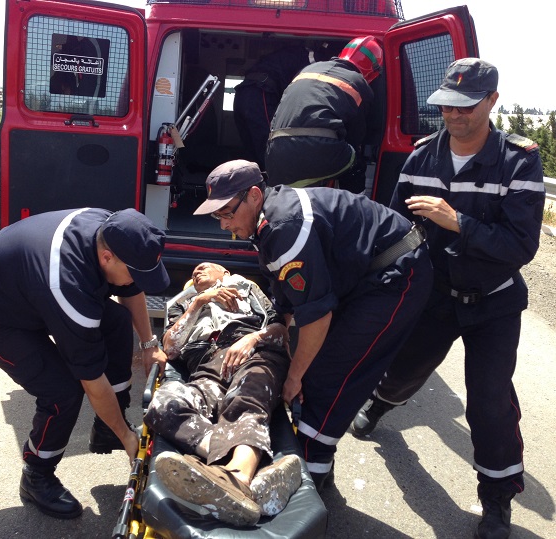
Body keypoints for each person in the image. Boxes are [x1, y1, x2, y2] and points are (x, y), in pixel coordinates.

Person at [350, 58, 545, 539]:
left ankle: (496, 501)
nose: (453, 116)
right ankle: (379, 405)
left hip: (494, 303)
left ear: (492, 101)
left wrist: (457, 222)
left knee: (490, 402)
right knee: (403, 372)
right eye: (446, 107)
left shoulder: (519, 160)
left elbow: (521, 245)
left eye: (465, 107)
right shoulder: (421, 157)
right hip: (435, 296)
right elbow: (394, 229)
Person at [192, 159, 433, 494]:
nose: (223, 225)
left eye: (227, 213)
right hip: (366, 272)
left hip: (395, 275)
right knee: (316, 367)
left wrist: (293, 377)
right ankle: (314, 463)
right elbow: (285, 280)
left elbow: (317, 317)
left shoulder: (285, 225)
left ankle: (312, 476)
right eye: (217, 215)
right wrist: (278, 322)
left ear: (254, 195)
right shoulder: (267, 218)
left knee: (328, 376)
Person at [0, 207, 170, 519]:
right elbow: (92, 381)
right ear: (106, 259)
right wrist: (128, 438)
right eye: (134, 271)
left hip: (27, 292)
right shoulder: (68, 287)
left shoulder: (111, 230)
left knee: (116, 321)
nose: (135, 280)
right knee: (61, 390)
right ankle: (37, 475)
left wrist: (148, 344)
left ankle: (105, 429)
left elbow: (130, 289)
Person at [144, 262, 300, 526]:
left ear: (226, 273)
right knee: (163, 404)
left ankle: (237, 476)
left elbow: (280, 331)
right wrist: (199, 302)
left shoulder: (248, 289)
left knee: (246, 398)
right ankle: (245, 476)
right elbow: (170, 348)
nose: (196, 270)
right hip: (206, 365)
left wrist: (252, 339)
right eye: (193, 270)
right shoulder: (183, 303)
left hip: (253, 354)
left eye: (205, 267)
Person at [265, 36, 383, 193]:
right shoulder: (359, 83)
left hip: (274, 153)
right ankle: (355, 213)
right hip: (319, 152)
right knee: (355, 164)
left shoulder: (307, 70)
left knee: (282, 198)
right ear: (373, 72)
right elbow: (355, 137)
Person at [233, 43, 317, 169]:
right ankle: (272, 180)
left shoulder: (282, 55)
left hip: (243, 93)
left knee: (251, 146)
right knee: (268, 143)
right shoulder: (310, 57)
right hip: (260, 92)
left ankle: (256, 178)